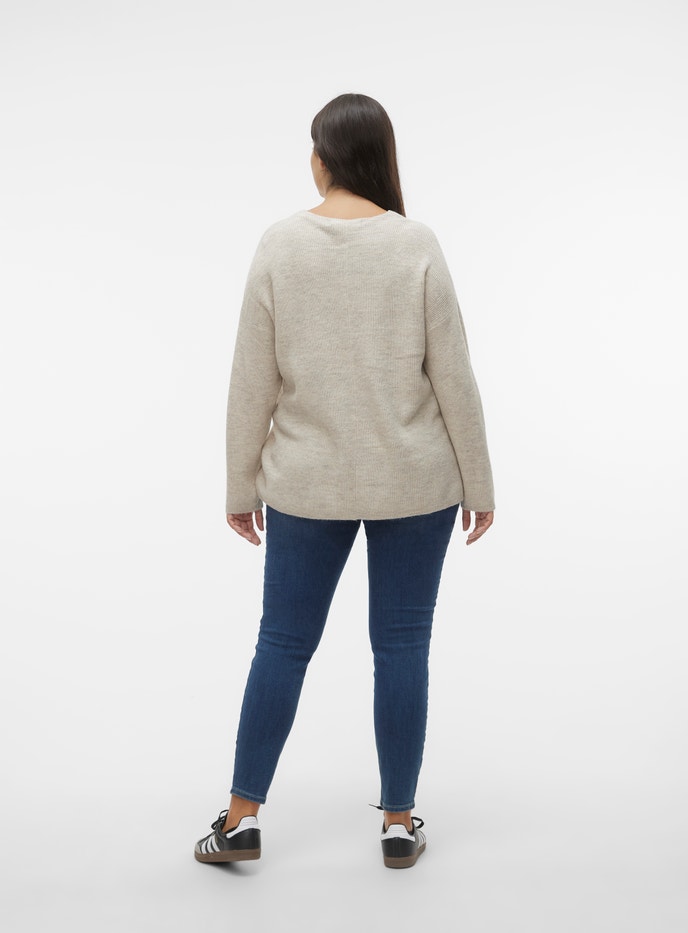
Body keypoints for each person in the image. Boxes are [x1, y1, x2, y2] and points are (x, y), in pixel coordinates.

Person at [194, 92, 495, 870]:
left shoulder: (280, 244)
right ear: (380, 157)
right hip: (415, 481)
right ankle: (397, 823)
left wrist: (239, 485)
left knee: (282, 642)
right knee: (402, 646)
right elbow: (453, 374)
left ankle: (241, 819)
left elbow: (251, 379)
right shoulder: (415, 243)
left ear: (324, 158)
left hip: (307, 482)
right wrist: (480, 482)